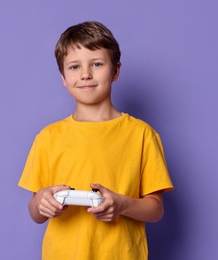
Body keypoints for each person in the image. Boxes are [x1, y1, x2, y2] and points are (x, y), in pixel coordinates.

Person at [18, 21, 173, 259]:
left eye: (97, 64)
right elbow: (35, 213)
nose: (85, 74)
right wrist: (41, 202)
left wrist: (121, 204)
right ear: (63, 77)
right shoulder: (48, 137)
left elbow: (155, 209)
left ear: (116, 71)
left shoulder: (142, 134)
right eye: (74, 67)